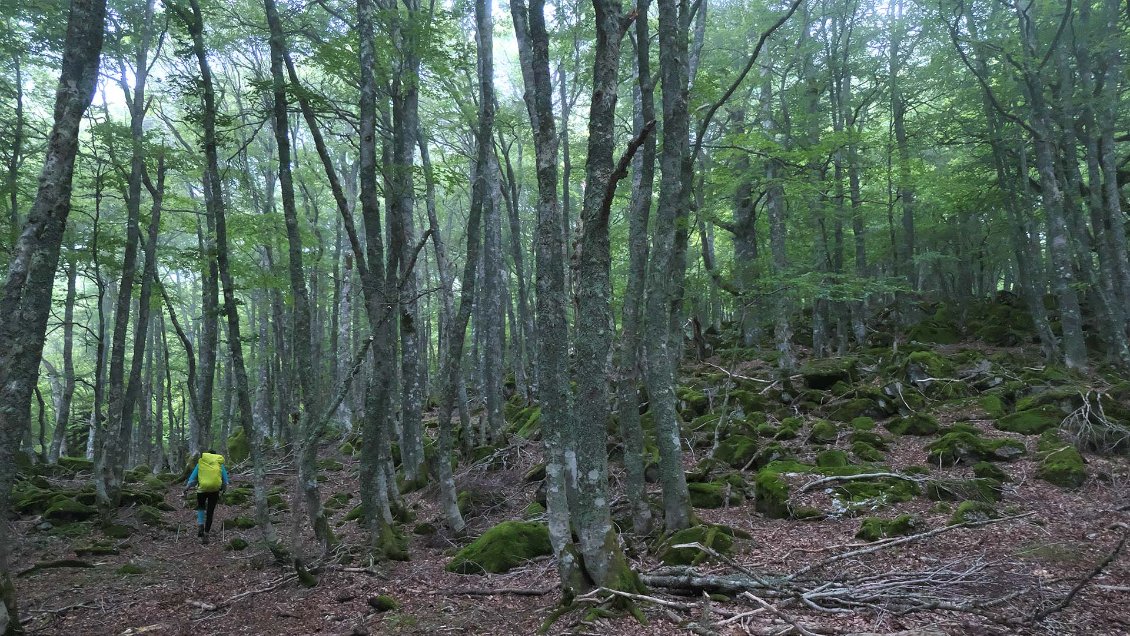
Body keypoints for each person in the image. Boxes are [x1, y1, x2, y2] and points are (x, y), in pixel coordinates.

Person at [184, 450, 230, 544]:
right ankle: (206, 533)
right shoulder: (219, 464)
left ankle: (201, 525)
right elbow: (225, 481)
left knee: (201, 507)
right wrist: (224, 489)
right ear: (215, 455)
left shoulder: (200, 463)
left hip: (201, 490)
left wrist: (186, 488)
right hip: (214, 491)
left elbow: (192, 479)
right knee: (210, 512)